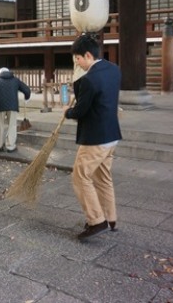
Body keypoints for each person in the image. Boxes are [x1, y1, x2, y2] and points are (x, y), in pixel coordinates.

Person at [64, 34, 122, 240]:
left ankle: (96, 220)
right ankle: (111, 218)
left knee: (80, 176)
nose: (77, 63)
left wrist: (66, 112)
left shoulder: (89, 80)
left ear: (88, 55)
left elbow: (80, 111)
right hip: (112, 135)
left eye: (78, 59)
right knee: (103, 177)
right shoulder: (114, 70)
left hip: (96, 138)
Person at [0, 67, 31, 152]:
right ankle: (10, 146)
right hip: (12, 106)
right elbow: (27, 90)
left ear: (0, 73)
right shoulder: (15, 80)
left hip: (0, 106)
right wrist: (27, 98)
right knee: (12, 125)